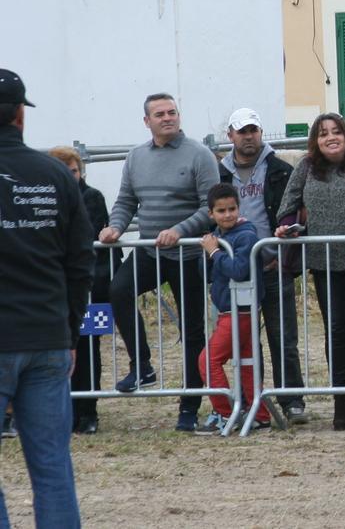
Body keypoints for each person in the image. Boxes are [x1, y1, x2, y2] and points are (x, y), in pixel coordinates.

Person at [0, 69, 94, 528]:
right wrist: (70, 332)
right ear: (20, 115)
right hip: (48, 336)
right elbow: (81, 264)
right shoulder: (56, 174)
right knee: (53, 468)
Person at [101, 93, 220, 433]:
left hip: (188, 254)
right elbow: (125, 201)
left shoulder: (199, 155)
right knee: (118, 291)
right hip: (149, 250)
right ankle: (142, 365)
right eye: (159, 114)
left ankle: (189, 406)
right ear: (147, 121)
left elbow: (209, 208)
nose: (167, 118)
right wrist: (115, 227)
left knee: (193, 332)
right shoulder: (136, 156)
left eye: (172, 112)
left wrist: (179, 231)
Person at [275, 113, 345, 430]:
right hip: (323, 261)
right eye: (323, 134)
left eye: (336, 132)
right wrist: (286, 227)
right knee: (335, 329)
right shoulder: (307, 168)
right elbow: (288, 204)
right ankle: (341, 401)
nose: (330, 137)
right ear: (316, 141)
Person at [217, 108, 307, 425]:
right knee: (243, 342)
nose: (249, 136)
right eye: (242, 131)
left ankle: (292, 400)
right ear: (230, 135)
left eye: (253, 130)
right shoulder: (220, 174)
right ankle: (250, 399)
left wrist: (283, 257)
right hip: (237, 271)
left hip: (274, 265)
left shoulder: (281, 170)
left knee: (284, 337)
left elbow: (293, 213)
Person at [47, 145, 126, 436]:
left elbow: (87, 238)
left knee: (88, 351)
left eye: (74, 170)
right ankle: (63, 412)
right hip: (53, 289)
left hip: (87, 287)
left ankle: (88, 411)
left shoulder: (91, 197)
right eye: (64, 171)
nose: (71, 176)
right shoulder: (43, 199)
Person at [194, 183, 271, 434]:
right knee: (247, 362)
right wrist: (210, 253)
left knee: (208, 361)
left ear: (239, 208)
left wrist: (215, 252)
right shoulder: (218, 237)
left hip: (240, 311)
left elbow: (239, 270)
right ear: (211, 214)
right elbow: (207, 273)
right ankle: (258, 414)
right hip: (233, 310)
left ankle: (225, 412)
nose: (227, 215)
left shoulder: (245, 235)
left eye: (232, 209)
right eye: (221, 210)